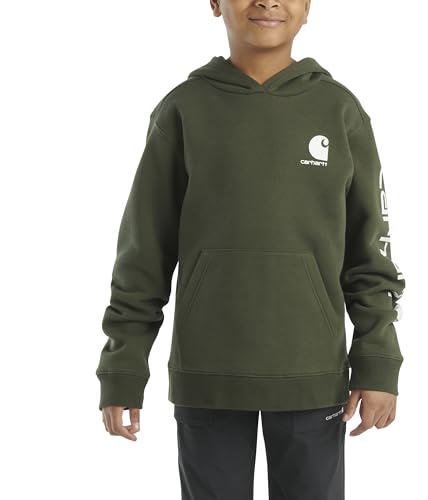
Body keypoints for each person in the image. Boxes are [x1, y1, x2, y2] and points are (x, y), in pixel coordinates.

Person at [96, 0, 406, 498]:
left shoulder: (340, 111)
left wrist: (378, 360)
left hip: (311, 374)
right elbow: (143, 254)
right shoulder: (183, 110)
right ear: (215, 3)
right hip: (208, 376)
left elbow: (371, 253)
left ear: (309, 6)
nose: (267, 1)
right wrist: (122, 367)